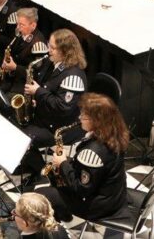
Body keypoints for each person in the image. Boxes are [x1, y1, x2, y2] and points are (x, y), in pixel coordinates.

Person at [36, 93, 129, 222]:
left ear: (97, 121)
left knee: (41, 195)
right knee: (57, 181)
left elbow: (81, 189)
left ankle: (56, 226)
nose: (79, 118)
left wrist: (63, 163)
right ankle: (62, 213)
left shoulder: (93, 152)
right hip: (113, 196)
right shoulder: (114, 134)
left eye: (84, 116)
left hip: (97, 206)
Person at [18, 29, 87, 184]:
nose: (49, 50)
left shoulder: (74, 76)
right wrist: (36, 100)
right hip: (47, 118)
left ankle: (43, 172)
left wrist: (38, 92)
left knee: (23, 137)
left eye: (53, 47)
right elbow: (51, 91)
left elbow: (63, 108)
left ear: (65, 51)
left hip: (62, 127)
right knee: (14, 122)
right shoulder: (54, 65)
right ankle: (30, 163)